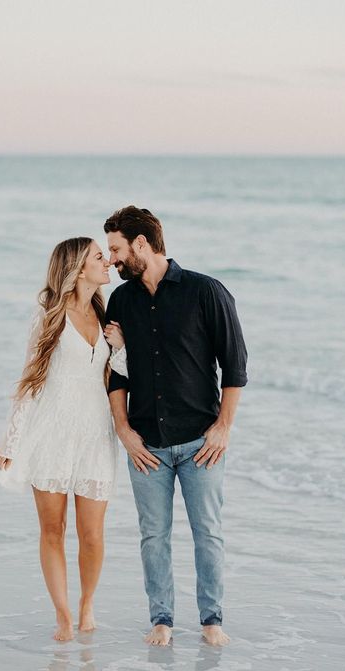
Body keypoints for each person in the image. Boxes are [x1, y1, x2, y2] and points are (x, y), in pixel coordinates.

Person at [103, 206, 248, 647]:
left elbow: (235, 366)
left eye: (115, 249)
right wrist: (123, 430)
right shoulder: (122, 301)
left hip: (201, 441)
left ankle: (211, 620)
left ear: (141, 244)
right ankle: (161, 619)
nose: (111, 259)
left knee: (208, 531)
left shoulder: (206, 291)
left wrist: (223, 427)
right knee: (153, 535)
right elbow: (116, 371)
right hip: (146, 443)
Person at [0, 237, 125, 642]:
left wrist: (120, 347)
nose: (107, 262)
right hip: (51, 432)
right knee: (53, 529)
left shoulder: (107, 314)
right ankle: (63, 615)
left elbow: (121, 374)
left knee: (93, 533)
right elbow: (30, 382)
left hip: (95, 434)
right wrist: (11, 440)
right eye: (99, 256)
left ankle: (87, 605)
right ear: (77, 267)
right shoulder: (49, 316)